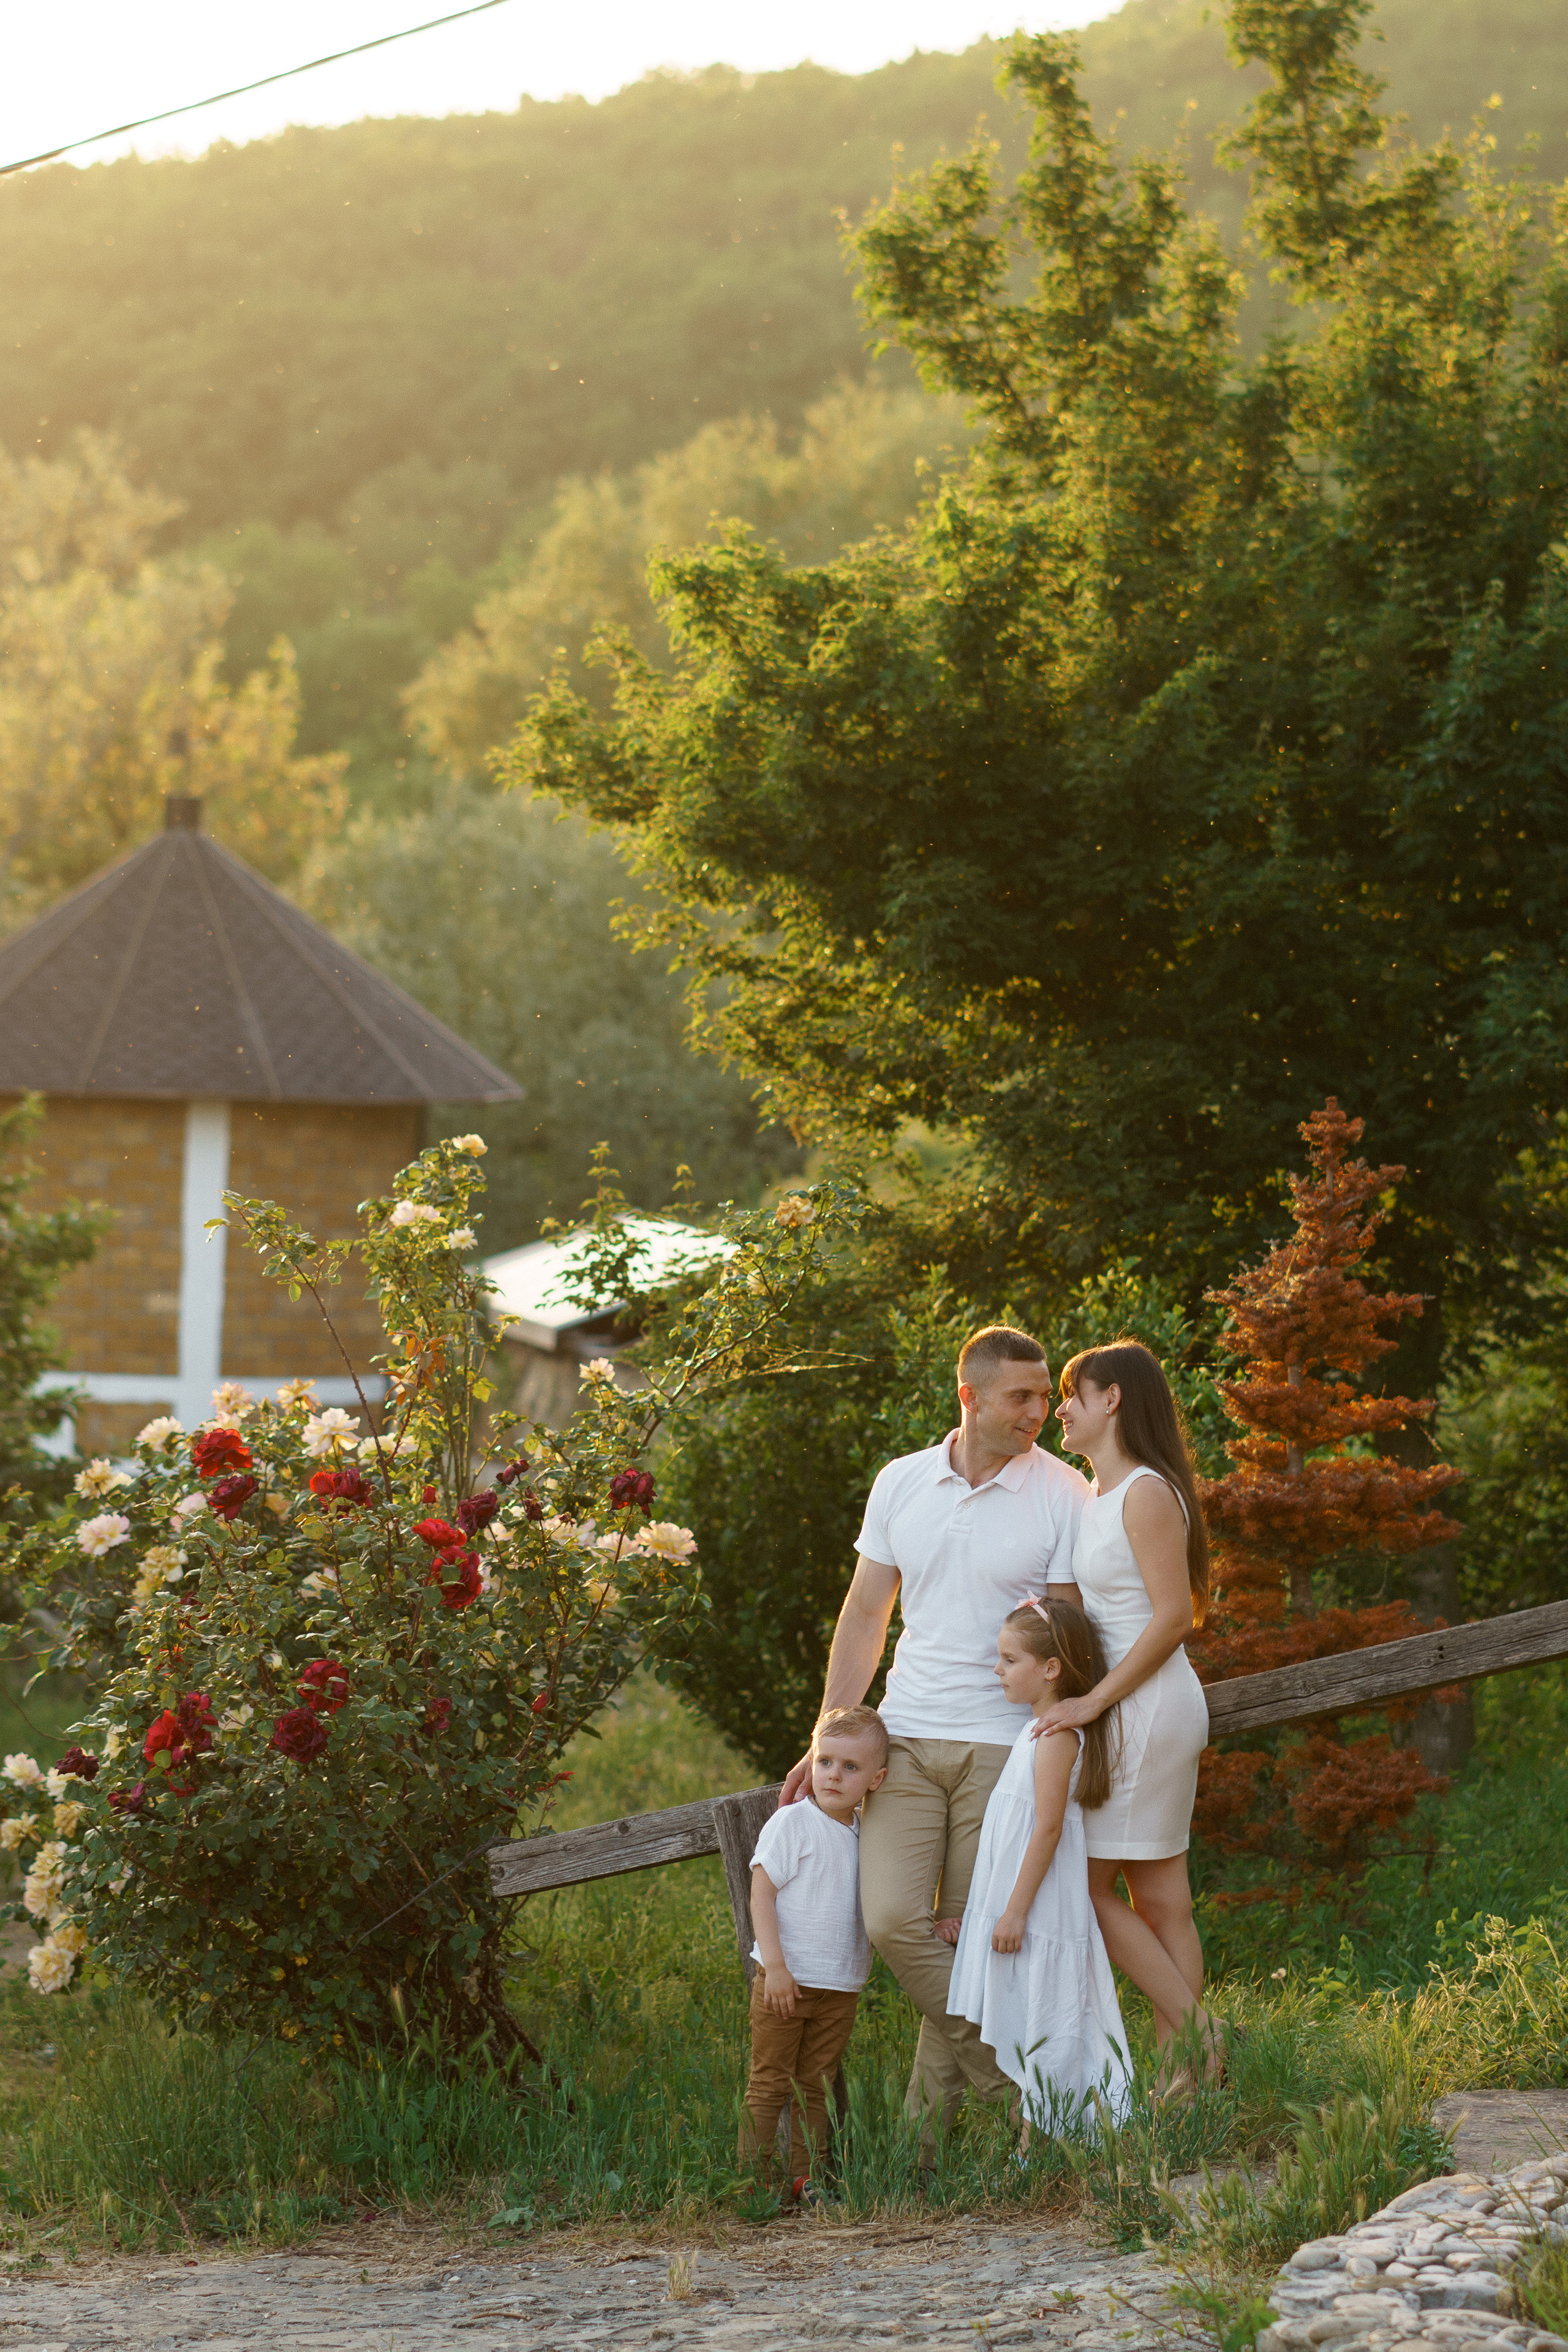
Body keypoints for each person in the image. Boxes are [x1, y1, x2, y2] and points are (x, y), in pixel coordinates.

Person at [780, 1325, 1090, 2144]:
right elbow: (865, 1615)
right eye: (1022, 1396)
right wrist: (827, 1735)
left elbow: (1064, 1639)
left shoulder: (1064, 1492)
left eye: (1044, 1394)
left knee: (965, 1939)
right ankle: (1014, 2095)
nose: (1040, 1411)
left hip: (1006, 1749)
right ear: (970, 1396)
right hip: (907, 1738)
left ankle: (925, 2159)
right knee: (892, 1922)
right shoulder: (902, 1482)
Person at [1037, 1340, 1219, 2089]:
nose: (1060, 1409)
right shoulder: (1095, 1494)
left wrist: (1093, 1702)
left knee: (1086, 1884)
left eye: (1072, 1393)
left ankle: (1203, 2040)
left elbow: (1174, 1617)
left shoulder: (1146, 1491)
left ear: (1112, 1400)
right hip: (1130, 1707)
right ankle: (1186, 2081)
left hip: (1146, 1707)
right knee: (1163, 1897)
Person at [944, 1597, 1130, 2136]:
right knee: (1031, 2019)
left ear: (1050, 1669)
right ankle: (1040, 2144)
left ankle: (1041, 2146)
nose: (996, 1670)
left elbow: (1048, 1827)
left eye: (1009, 1660)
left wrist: (1014, 1912)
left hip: (1040, 1906)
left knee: (1048, 2019)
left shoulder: (1057, 1738)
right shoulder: (1034, 1732)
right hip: (1021, 1901)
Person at [742, 1704, 888, 2198]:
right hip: (787, 1981)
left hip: (840, 1987)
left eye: (851, 1767)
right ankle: (755, 2186)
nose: (834, 1775)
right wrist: (776, 1968)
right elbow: (761, 1893)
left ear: (876, 1778)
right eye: (826, 1761)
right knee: (769, 2083)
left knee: (817, 2087)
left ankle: (806, 2181)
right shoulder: (793, 1823)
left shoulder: (870, 1833)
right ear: (812, 1761)